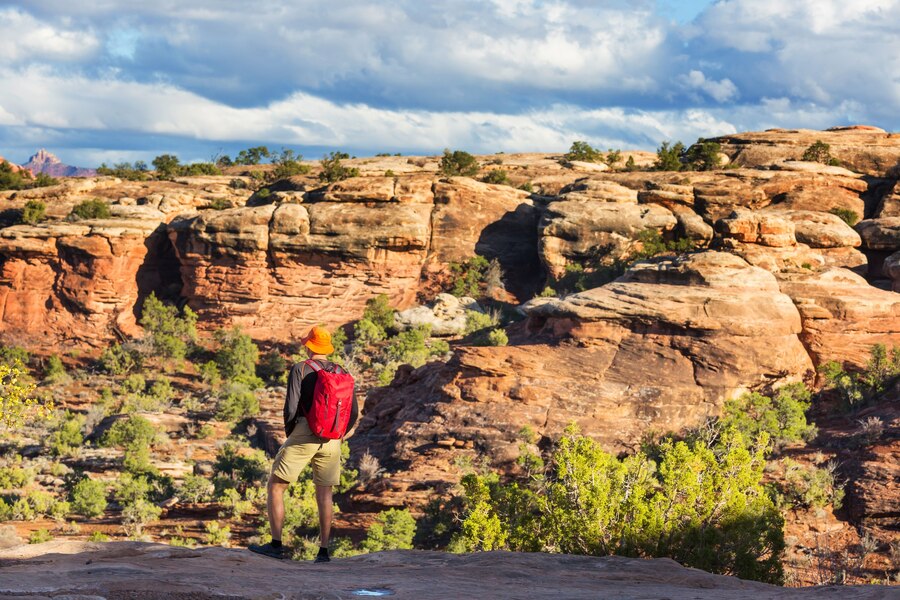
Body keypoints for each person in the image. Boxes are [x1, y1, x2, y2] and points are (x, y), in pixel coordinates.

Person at [249, 325, 358, 561]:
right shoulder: (343, 371)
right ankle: (324, 552)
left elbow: (291, 406)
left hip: (305, 432)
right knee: (325, 493)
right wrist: (338, 433)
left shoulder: (301, 368)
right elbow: (353, 412)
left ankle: (276, 546)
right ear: (327, 348)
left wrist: (292, 434)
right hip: (332, 439)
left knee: (276, 485)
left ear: (308, 345)